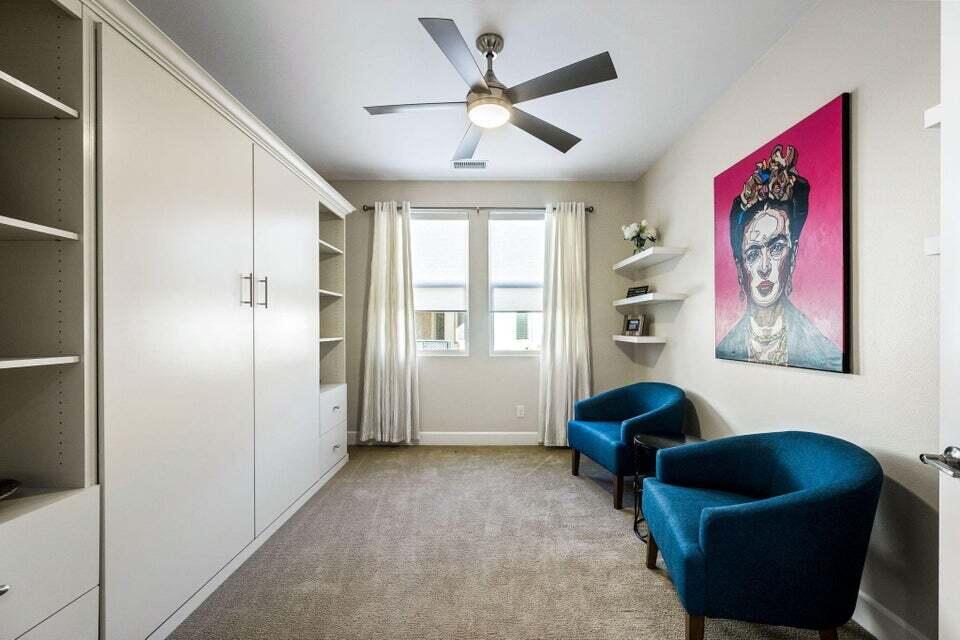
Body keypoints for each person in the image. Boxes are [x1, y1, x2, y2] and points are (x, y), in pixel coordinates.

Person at [716, 144, 842, 371]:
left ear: (792, 257)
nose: (764, 267)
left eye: (776, 248)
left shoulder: (826, 355)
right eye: (753, 253)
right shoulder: (726, 347)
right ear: (739, 266)